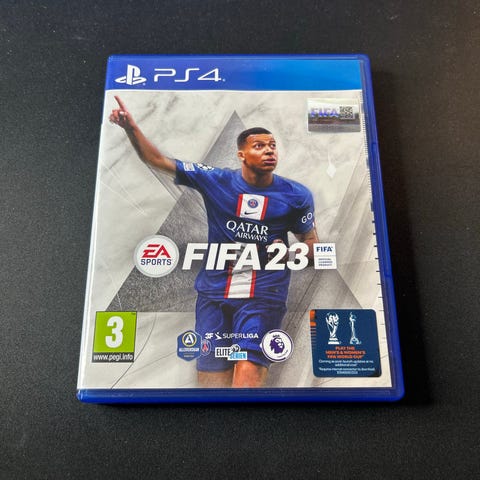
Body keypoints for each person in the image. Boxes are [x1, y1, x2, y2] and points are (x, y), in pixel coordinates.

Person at [110, 96, 319, 388]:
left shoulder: (296, 195)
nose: (269, 150)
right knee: (212, 388)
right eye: (259, 146)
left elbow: (313, 245)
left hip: (263, 297)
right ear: (241, 155)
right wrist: (131, 128)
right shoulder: (216, 180)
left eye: (272, 145)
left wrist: (292, 252)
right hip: (213, 296)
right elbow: (157, 160)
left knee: (246, 379)